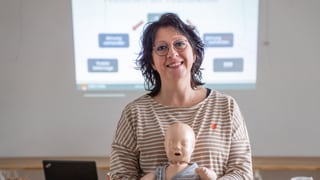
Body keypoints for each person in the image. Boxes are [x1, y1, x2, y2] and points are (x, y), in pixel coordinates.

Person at [110, 12, 253, 179]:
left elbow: (242, 173)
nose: (172, 53)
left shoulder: (226, 107)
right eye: (162, 48)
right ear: (152, 62)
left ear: (195, 53)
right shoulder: (134, 113)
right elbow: (120, 176)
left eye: (179, 44)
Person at [141, 122, 216, 180]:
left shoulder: (195, 171)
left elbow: (213, 178)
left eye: (184, 144)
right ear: (165, 146)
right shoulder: (161, 171)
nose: (177, 146)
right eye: (171, 143)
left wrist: (207, 173)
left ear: (192, 147)